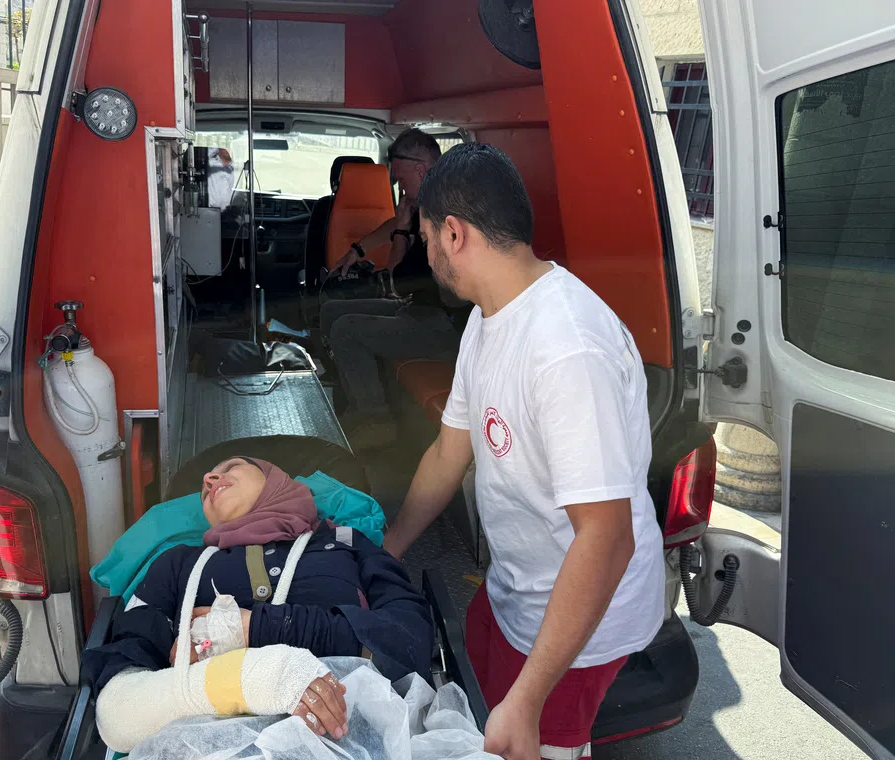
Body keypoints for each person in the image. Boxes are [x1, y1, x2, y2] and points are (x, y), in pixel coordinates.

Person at [381, 143, 665, 760]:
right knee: (471, 696)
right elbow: (447, 453)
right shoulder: (490, 318)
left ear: (453, 234)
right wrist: (386, 552)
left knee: (524, 736)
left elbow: (607, 537)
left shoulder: (566, 348)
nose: (424, 252)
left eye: (425, 235)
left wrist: (529, 699)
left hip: (583, 616)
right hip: (516, 584)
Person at [82, 457, 434, 750]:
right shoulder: (177, 565)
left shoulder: (346, 543)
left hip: (351, 740)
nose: (210, 479)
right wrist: (263, 677)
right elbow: (119, 712)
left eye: (231, 467)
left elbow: (409, 643)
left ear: (273, 478)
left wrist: (254, 629)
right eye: (205, 485)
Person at [322, 128, 471, 451]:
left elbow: (396, 276)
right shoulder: (428, 199)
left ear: (420, 170)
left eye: (402, 181)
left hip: (443, 328)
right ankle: (354, 400)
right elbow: (396, 223)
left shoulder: (445, 213)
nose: (401, 189)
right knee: (332, 310)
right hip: (421, 310)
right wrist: (356, 251)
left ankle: (377, 421)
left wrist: (403, 230)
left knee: (347, 329)